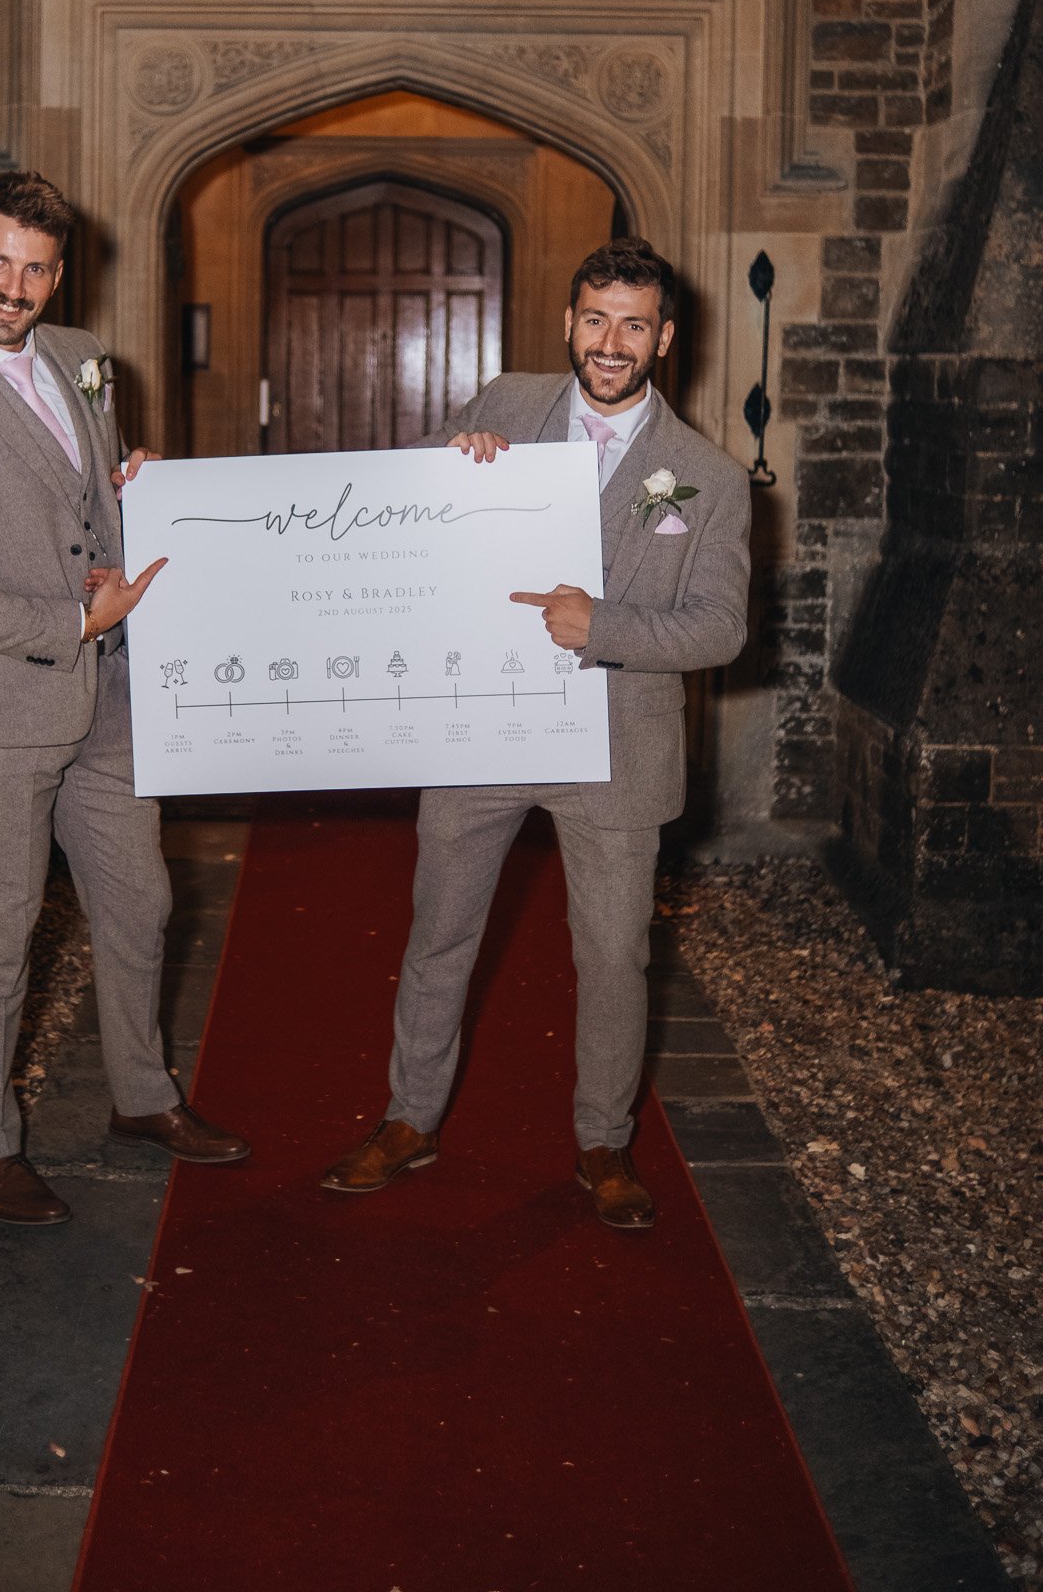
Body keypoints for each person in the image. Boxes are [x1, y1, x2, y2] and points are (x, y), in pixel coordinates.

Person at [321, 238, 750, 1229]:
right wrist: (449, 460)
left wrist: (601, 627)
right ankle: (409, 1116)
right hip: (483, 723)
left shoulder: (706, 476)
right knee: (441, 930)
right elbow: (410, 520)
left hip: (616, 747)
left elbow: (722, 629)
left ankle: (603, 1141)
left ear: (666, 337)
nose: (611, 342)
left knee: (610, 954)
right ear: (569, 322)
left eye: (634, 323)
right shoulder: (503, 404)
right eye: (595, 318)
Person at [0, 171, 249, 1226]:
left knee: (144, 900)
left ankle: (141, 1096)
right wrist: (76, 621)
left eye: (36, 267)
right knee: (3, 927)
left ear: (59, 273)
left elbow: (83, 515)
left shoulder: (85, 361)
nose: (15, 285)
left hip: (109, 696)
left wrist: (136, 493)